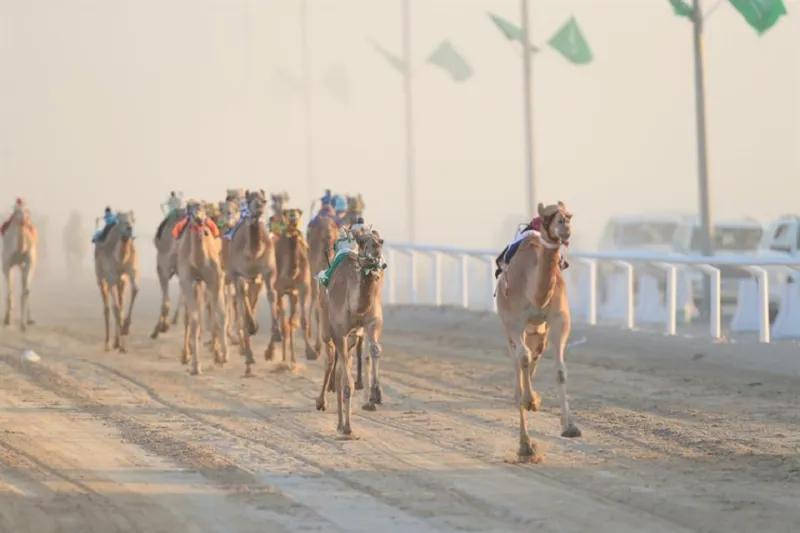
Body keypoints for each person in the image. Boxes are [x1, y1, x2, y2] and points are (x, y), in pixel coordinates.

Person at [494, 215, 569, 278]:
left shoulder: (548, 221)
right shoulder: (547, 221)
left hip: (535, 234)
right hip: (536, 234)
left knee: (512, 247)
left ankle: (506, 260)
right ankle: (560, 264)